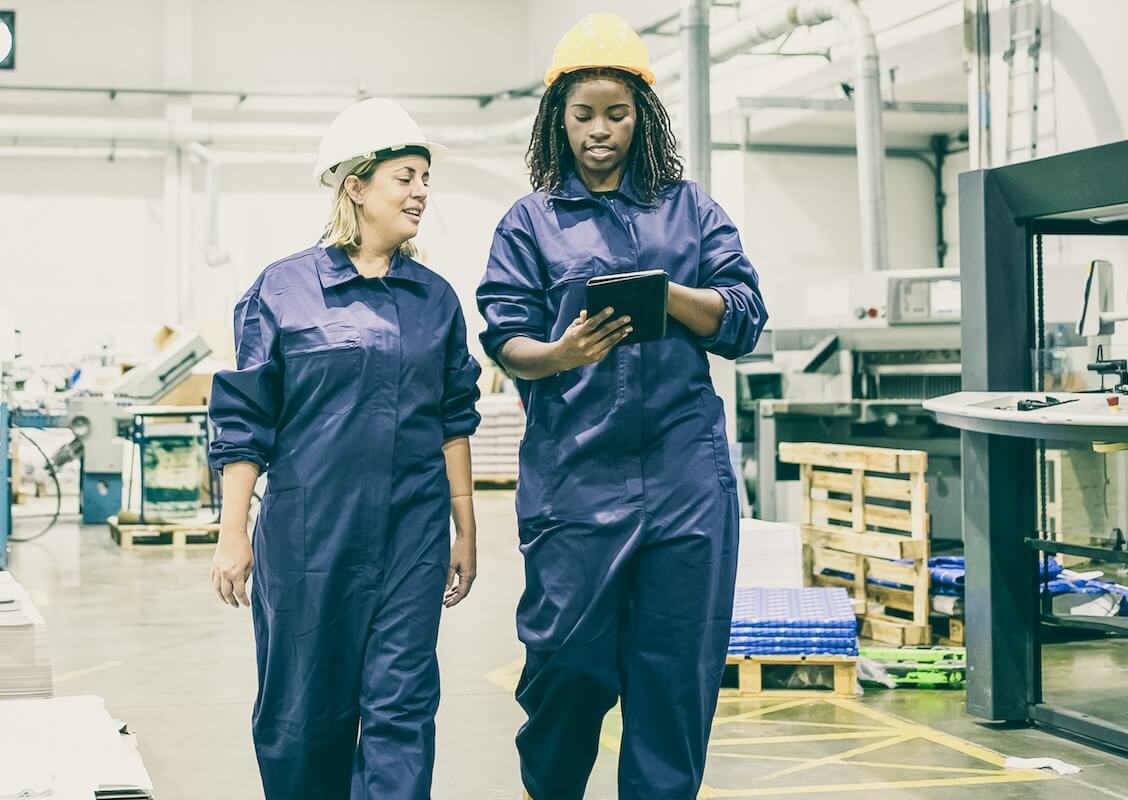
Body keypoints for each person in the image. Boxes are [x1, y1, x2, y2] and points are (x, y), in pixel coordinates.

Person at [476, 13, 768, 800]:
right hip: (575, 477)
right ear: (556, 119)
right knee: (565, 664)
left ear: (643, 117)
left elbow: (744, 317)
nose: (599, 131)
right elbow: (503, 336)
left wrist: (670, 296)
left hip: (684, 475)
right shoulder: (531, 223)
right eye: (582, 115)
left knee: (674, 675)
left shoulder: (691, 210)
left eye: (616, 113)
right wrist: (560, 354)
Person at [207, 97, 482, 800]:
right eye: (404, 177)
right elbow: (245, 420)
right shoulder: (284, 289)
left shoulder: (435, 299)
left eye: (425, 177)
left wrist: (466, 527)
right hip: (308, 535)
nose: (421, 191)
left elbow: (455, 416)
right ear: (355, 186)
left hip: (411, 532)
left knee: (402, 706)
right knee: (302, 712)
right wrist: (232, 532)